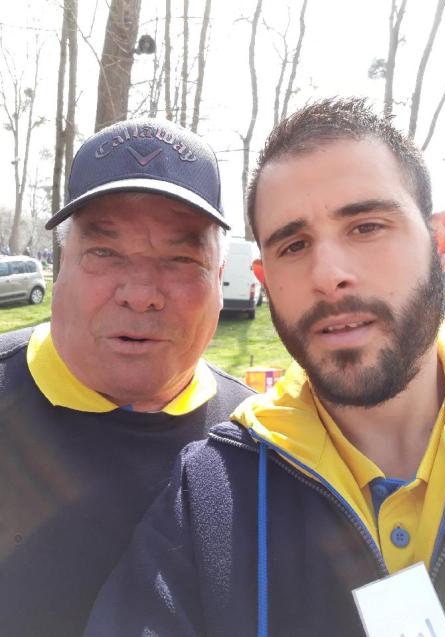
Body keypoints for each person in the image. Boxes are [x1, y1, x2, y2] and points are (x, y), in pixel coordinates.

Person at [84, 98, 445, 637]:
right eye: (294, 245)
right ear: (265, 280)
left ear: (441, 242)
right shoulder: (209, 495)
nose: (328, 275)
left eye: (366, 226)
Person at [0, 117, 254, 637]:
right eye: (105, 252)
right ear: (62, 266)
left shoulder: (259, 446)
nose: (140, 294)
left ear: (218, 279)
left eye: (180, 258)